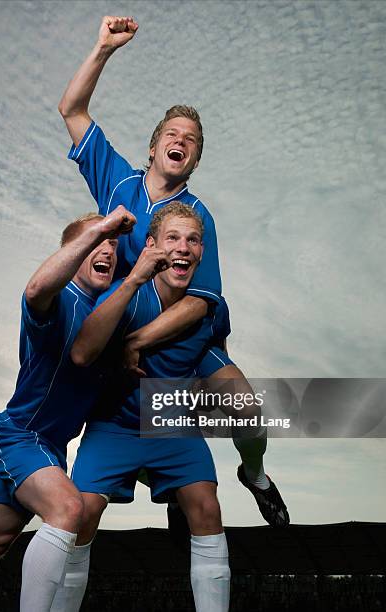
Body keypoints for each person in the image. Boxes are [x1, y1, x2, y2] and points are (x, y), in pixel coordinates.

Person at [58, 15, 289, 527]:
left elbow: (200, 302)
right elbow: (71, 110)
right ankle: (159, 481)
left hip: (181, 342)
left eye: (191, 139)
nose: (180, 139)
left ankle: (254, 474)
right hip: (123, 337)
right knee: (99, 416)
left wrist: (137, 341)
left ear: (194, 160)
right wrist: (102, 48)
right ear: (154, 145)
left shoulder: (197, 217)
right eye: (172, 132)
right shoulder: (119, 184)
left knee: (249, 414)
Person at [0, 206, 136, 612]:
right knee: (69, 508)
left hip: (50, 449)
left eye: (113, 246)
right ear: (73, 251)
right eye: (96, 242)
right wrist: (103, 225)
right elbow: (34, 291)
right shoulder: (61, 298)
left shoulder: (107, 315)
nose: (107, 250)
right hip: (18, 435)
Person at [50, 202, 231, 612]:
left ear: (203, 252)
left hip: (173, 426)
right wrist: (132, 283)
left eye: (193, 240)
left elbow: (216, 352)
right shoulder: (127, 294)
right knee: (82, 515)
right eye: (172, 239)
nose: (183, 248)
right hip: (114, 424)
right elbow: (82, 351)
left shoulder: (209, 307)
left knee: (206, 507)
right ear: (152, 246)